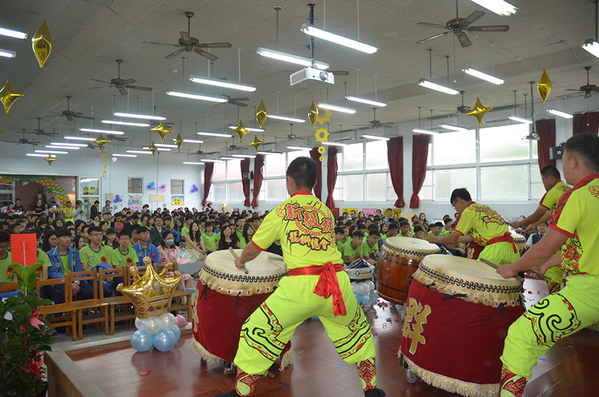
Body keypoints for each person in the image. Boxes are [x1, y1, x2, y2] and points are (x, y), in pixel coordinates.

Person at [216, 157, 384, 397]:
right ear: (314, 183)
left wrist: (240, 261)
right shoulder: (325, 211)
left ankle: (241, 392)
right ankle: (371, 389)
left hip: (300, 288)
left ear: (289, 180)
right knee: (357, 331)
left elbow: (253, 249)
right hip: (337, 283)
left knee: (257, 329)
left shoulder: (282, 211)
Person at [495, 132, 599, 397]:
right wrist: (548, 264)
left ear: (574, 161)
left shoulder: (578, 196)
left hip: (588, 292)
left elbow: (544, 246)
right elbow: (585, 246)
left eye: (564, 161)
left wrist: (512, 267)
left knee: (521, 334)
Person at [428, 188, 519, 265]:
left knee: (479, 282)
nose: (456, 209)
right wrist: (457, 240)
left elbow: (452, 238)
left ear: (459, 200)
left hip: (495, 252)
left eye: (454, 206)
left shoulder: (468, 211)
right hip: (512, 250)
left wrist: (435, 239)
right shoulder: (486, 208)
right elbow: (474, 236)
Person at [45, 228, 93, 304]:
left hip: (74, 280)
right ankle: (67, 314)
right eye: (64, 237)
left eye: (69, 237)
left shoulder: (75, 252)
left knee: (90, 291)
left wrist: (76, 282)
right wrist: (68, 283)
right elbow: (53, 273)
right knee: (67, 293)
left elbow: (78, 269)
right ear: (57, 239)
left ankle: (81, 312)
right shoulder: (50, 254)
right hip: (61, 281)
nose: (67, 239)